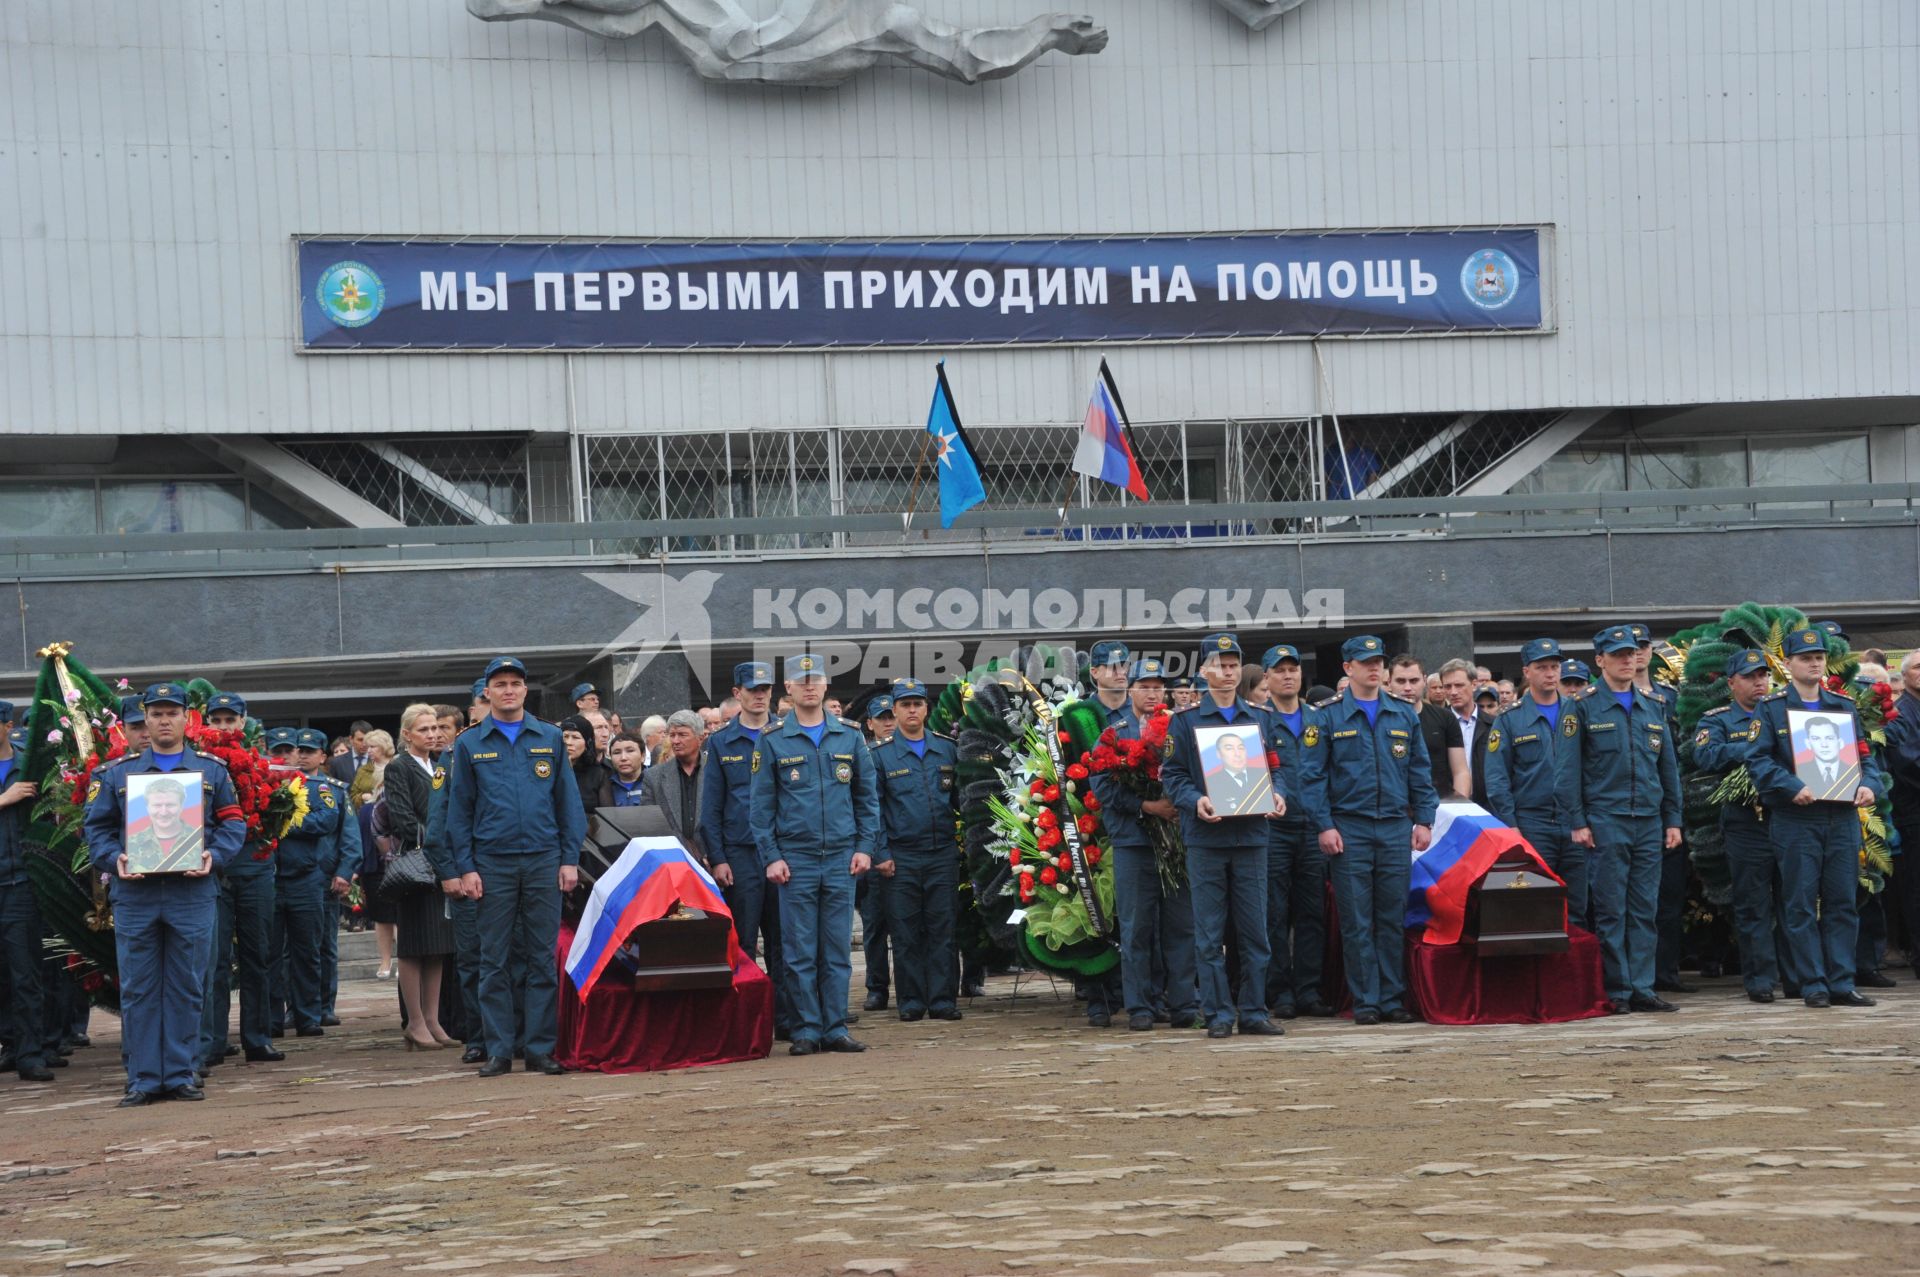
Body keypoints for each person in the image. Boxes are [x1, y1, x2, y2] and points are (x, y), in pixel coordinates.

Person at [83, 682, 247, 1105]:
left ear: (186, 719)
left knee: (187, 985)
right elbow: (96, 829)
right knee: (138, 987)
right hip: (135, 895)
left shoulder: (211, 772)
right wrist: (115, 857)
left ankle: (180, 1073)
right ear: (145, 721)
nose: (163, 720)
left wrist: (215, 855)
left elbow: (233, 823)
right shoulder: (117, 774)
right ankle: (142, 1077)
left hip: (191, 892)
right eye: (155, 714)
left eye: (171, 712)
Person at [446, 656, 586, 1077]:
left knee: (542, 958)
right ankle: (499, 1049)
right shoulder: (471, 743)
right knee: (494, 959)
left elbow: (568, 804)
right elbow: (459, 812)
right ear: (487, 692)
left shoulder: (548, 737)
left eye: (515, 683)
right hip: (492, 863)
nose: (508, 690)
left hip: (544, 859)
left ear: (526, 690)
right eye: (500, 684)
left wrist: (569, 859)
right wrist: (466, 867)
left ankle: (540, 1048)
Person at [1748, 627, 1887, 1008]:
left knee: (1843, 901)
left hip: (1841, 817)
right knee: (1800, 903)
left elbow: (1865, 758)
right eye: (1805, 658)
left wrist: (1870, 785)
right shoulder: (1772, 708)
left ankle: (1842, 981)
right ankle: (1813, 984)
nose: (1814, 663)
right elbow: (1758, 759)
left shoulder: (1843, 707)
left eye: (1819, 657)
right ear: (1788, 664)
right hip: (1796, 818)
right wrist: (1791, 785)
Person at [749, 652, 879, 1055]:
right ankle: (806, 1029)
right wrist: (771, 856)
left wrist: (865, 847)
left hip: (842, 857)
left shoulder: (850, 736)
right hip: (796, 860)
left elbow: (867, 799)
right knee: (799, 950)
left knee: (837, 948)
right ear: (788, 688)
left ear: (825, 686)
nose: (809, 685)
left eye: (816, 679)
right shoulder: (772, 740)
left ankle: (835, 1026)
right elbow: (760, 807)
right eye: (800, 680)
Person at [1305, 636, 1437, 1025]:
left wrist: (1424, 819)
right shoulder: (1326, 716)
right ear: (1348, 668)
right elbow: (1312, 778)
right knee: (1357, 919)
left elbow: (1419, 771)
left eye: (1378, 661)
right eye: (1365, 662)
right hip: (1350, 827)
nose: (1374, 668)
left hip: (1395, 826)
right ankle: (1367, 1000)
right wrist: (1324, 825)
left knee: (1392, 916)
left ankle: (1393, 998)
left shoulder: (1402, 713)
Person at [1160, 633, 1285, 1040]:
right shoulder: (1185, 721)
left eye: (1233, 665)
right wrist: (1194, 799)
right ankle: (1217, 1013)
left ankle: (1253, 1010)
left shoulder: (1260, 718)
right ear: (1203, 670)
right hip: (1206, 839)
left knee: (1255, 933)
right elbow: (1172, 774)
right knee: (1209, 934)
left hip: (1251, 837)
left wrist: (1279, 794)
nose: (1227, 672)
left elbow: (1278, 769)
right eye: (1219, 664)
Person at [1556, 626, 1683, 1015]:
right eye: (1618, 655)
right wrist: (1578, 821)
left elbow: (1668, 769)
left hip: (1647, 819)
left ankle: (1643, 987)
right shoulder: (1582, 705)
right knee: (1612, 910)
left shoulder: (1652, 704)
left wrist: (1673, 819)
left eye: (1632, 653)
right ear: (1600, 660)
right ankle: (1618, 989)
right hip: (1606, 818)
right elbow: (1567, 771)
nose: (1627, 660)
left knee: (1645, 908)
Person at [1094, 657, 1198, 1031]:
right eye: (1145, 686)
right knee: (1137, 928)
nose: (1152, 693)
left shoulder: (1181, 727)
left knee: (1181, 926)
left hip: (1178, 843)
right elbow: (1102, 787)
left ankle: (1184, 1002)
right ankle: (1140, 1006)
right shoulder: (1114, 732)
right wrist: (1146, 805)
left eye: (1158, 687)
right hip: (1134, 843)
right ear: (1131, 689)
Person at [1693, 649, 1793, 1003]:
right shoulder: (1717, 720)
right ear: (1732, 682)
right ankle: (1761, 980)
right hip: (1745, 821)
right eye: (1751, 677)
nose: (1760, 682)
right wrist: (1756, 748)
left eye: (1764, 676)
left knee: (1793, 900)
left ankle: (1796, 977)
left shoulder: (1784, 712)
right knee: (1753, 905)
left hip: (1787, 816)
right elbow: (1705, 755)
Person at [700, 661, 793, 1039]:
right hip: (741, 853)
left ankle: (787, 1018)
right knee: (742, 941)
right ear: (737, 693)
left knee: (785, 940)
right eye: (752, 689)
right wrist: (719, 858)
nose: (760, 695)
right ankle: (745, 1020)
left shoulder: (788, 734)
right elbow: (711, 808)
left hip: (785, 849)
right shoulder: (721, 742)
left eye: (765, 689)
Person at [198, 695, 283, 1074]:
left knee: (258, 955)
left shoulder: (261, 763)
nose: (223, 726)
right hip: (212, 869)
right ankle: (213, 1041)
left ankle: (258, 1037)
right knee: (214, 961)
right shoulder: (197, 762)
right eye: (216, 719)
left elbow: (279, 811)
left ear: (244, 721)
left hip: (254, 864)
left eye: (230, 719)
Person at [870, 678, 963, 1023]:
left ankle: (942, 999)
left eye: (917, 704)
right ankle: (911, 1000)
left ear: (927, 709)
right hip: (901, 856)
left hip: (941, 854)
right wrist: (881, 853)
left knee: (943, 929)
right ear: (893, 711)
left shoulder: (946, 749)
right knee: (905, 932)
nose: (912, 710)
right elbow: (873, 809)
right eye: (905, 704)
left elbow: (960, 801)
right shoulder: (880, 756)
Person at [1486, 639, 1587, 920]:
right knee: (1534, 906)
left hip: (1575, 824)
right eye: (1542, 667)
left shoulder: (1578, 710)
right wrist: (1511, 826)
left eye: (1555, 666)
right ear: (1526, 672)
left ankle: (1574, 965)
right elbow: (1497, 779)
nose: (1550, 673)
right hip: (1532, 824)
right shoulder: (1509, 719)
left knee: (1578, 907)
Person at [271, 729, 360, 1038]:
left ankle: (319, 1007)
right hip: (280, 876)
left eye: (308, 750)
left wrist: (345, 871)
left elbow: (342, 831)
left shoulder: (328, 789)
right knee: (281, 952)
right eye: (298, 749)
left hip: (318, 875)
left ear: (322, 756)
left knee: (318, 948)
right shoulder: (270, 786)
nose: (301, 755)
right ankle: (290, 1010)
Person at [1261, 646, 1331, 1020]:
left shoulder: (1320, 719)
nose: (1288, 676)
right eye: (1280, 670)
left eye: (1293, 669)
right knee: (1274, 914)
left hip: (1313, 828)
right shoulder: (1257, 720)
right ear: (1267, 678)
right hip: (1273, 829)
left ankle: (1307, 989)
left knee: (1311, 913)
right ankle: (1280, 991)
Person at [383, 704, 457, 1051]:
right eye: (424, 729)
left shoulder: (441, 764)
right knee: (414, 945)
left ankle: (433, 1018)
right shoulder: (400, 767)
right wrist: (436, 840)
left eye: (436, 728)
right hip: (417, 866)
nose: (433, 734)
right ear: (407, 734)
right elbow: (401, 817)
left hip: (442, 863)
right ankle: (414, 1020)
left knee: (438, 945)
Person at [0, 700, 53, 1082]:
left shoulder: (28, 766)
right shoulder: (13, 784)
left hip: (20, 882)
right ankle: (9, 1045)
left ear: (7, 725)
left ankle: (31, 1052)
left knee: (24, 971)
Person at [347, 730, 398, 979]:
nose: (370, 751)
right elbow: (353, 795)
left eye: (374, 747)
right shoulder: (364, 771)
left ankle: (405, 958)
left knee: (400, 911)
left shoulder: (398, 765)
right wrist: (365, 798)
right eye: (368, 747)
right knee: (379, 911)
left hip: (397, 849)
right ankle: (385, 960)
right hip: (370, 846)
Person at [856, 692, 894, 1011]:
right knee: (875, 925)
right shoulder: (865, 756)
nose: (890, 723)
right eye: (883, 718)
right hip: (873, 851)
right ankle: (877, 987)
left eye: (892, 716)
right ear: (870, 724)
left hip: (906, 850)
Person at [1885, 651, 1920, 980]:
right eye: (1918, 668)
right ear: (1905, 675)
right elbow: (1908, 762)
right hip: (1914, 812)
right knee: (1916, 887)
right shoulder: (1899, 713)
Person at [1392, 655, 1470, 800]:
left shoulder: (1445, 718)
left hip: (1440, 805)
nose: (1407, 687)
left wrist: (1459, 808)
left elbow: (1460, 771)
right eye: (1401, 681)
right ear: (1389, 682)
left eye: (1414, 681)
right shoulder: (1377, 720)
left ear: (1424, 681)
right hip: (1394, 810)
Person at [641, 709, 706, 853]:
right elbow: (650, 825)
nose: (675, 741)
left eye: (682, 735)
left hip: (713, 859)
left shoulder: (715, 771)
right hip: (672, 858)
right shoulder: (653, 777)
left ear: (700, 738)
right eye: (672, 735)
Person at [560, 714, 607, 827]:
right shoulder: (549, 771)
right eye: (565, 736)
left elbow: (608, 816)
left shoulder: (597, 774)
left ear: (587, 743)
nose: (569, 742)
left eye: (575, 737)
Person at [599, 731, 648, 806]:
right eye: (617, 752)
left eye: (630, 751)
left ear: (643, 756)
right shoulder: (605, 786)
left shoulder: (654, 783)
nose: (623, 758)